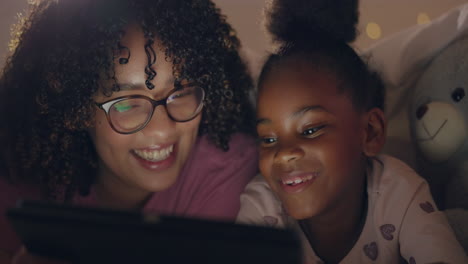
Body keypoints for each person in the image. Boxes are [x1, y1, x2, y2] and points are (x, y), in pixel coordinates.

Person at [0, 0, 258, 261]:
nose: (162, 129)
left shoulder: (228, 168)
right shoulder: (19, 178)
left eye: (181, 92)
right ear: (74, 111)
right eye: (126, 104)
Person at [236, 0, 467, 263]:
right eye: (269, 139)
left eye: (310, 129)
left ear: (370, 132)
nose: (284, 154)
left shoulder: (398, 192)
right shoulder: (262, 205)